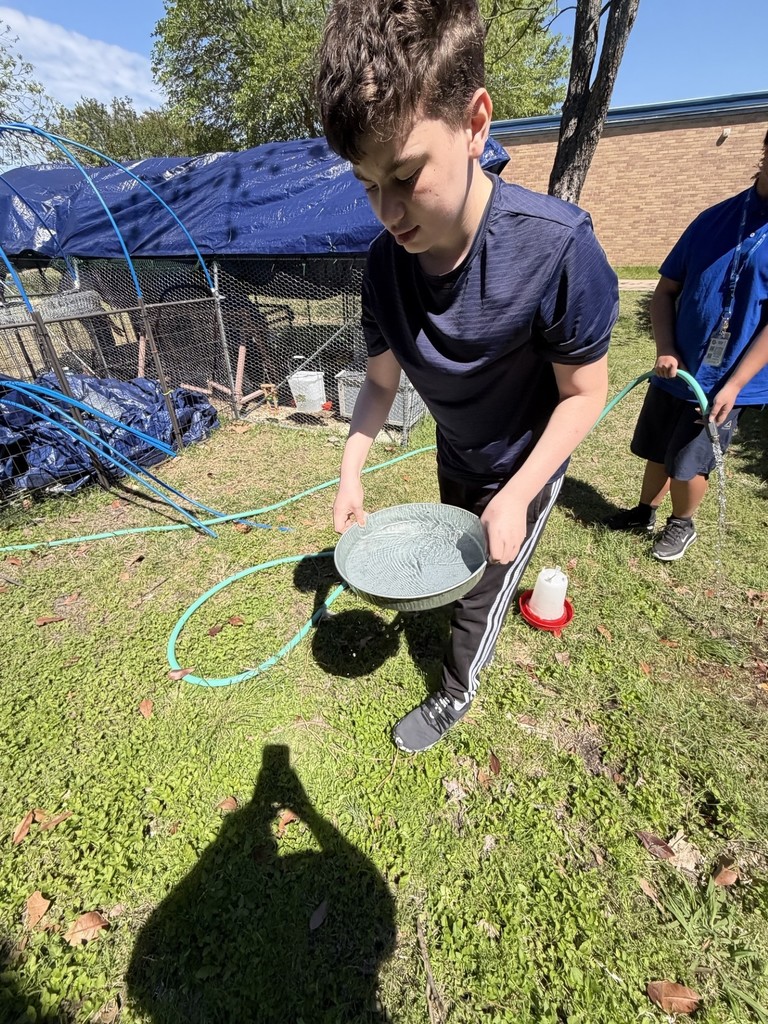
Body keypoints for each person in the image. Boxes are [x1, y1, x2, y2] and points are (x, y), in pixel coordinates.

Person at [315, 0, 618, 753]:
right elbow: (381, 385)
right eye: (364, 184)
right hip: (457, 451)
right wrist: (350, 471)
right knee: (457, 567)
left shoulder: (556, 249)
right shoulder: (384, 268)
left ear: (476, 122)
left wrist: (516, 496)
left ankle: (455, 692)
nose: (385, 210)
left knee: (479, 596)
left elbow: (587, 393)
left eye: (405, 174)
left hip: (526, 465)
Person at [606, 129, 768, 560]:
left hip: (731, 379)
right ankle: (644, 512)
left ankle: (683, 523)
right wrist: (666, 347)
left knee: (689, 458)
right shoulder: (713, 219)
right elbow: (664, 292)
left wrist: (734, 386)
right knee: (657, 446)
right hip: (676, 365)